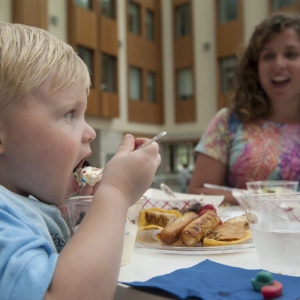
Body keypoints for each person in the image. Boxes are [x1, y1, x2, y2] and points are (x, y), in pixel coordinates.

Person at [0, 22, 161, 300]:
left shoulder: (26, 205)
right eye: (70, 114)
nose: (91, 132)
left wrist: (79, 219)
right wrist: (116, 193)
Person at [189, 13, 300, 205]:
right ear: (254, 67)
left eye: (291, 54)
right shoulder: (228, 122)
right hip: (242, 234)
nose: (279, 64)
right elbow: (198, 191)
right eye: (268, 56)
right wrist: (261, 200)